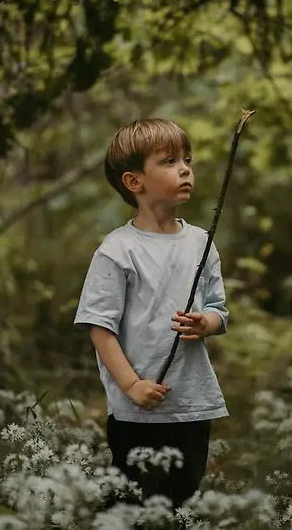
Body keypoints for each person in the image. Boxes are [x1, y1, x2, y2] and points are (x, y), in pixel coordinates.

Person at [73, 118, 230, 510]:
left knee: (183, 500)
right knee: (134, 501)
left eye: (188, 160)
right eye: (169, 161)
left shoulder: (201, 242)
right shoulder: (119, 249)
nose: (185, 169)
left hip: (191, 403)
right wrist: (131, 386)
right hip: (137, 409)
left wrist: (205, 323)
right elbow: (99, 326)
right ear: (134, 182)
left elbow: (218, 310)